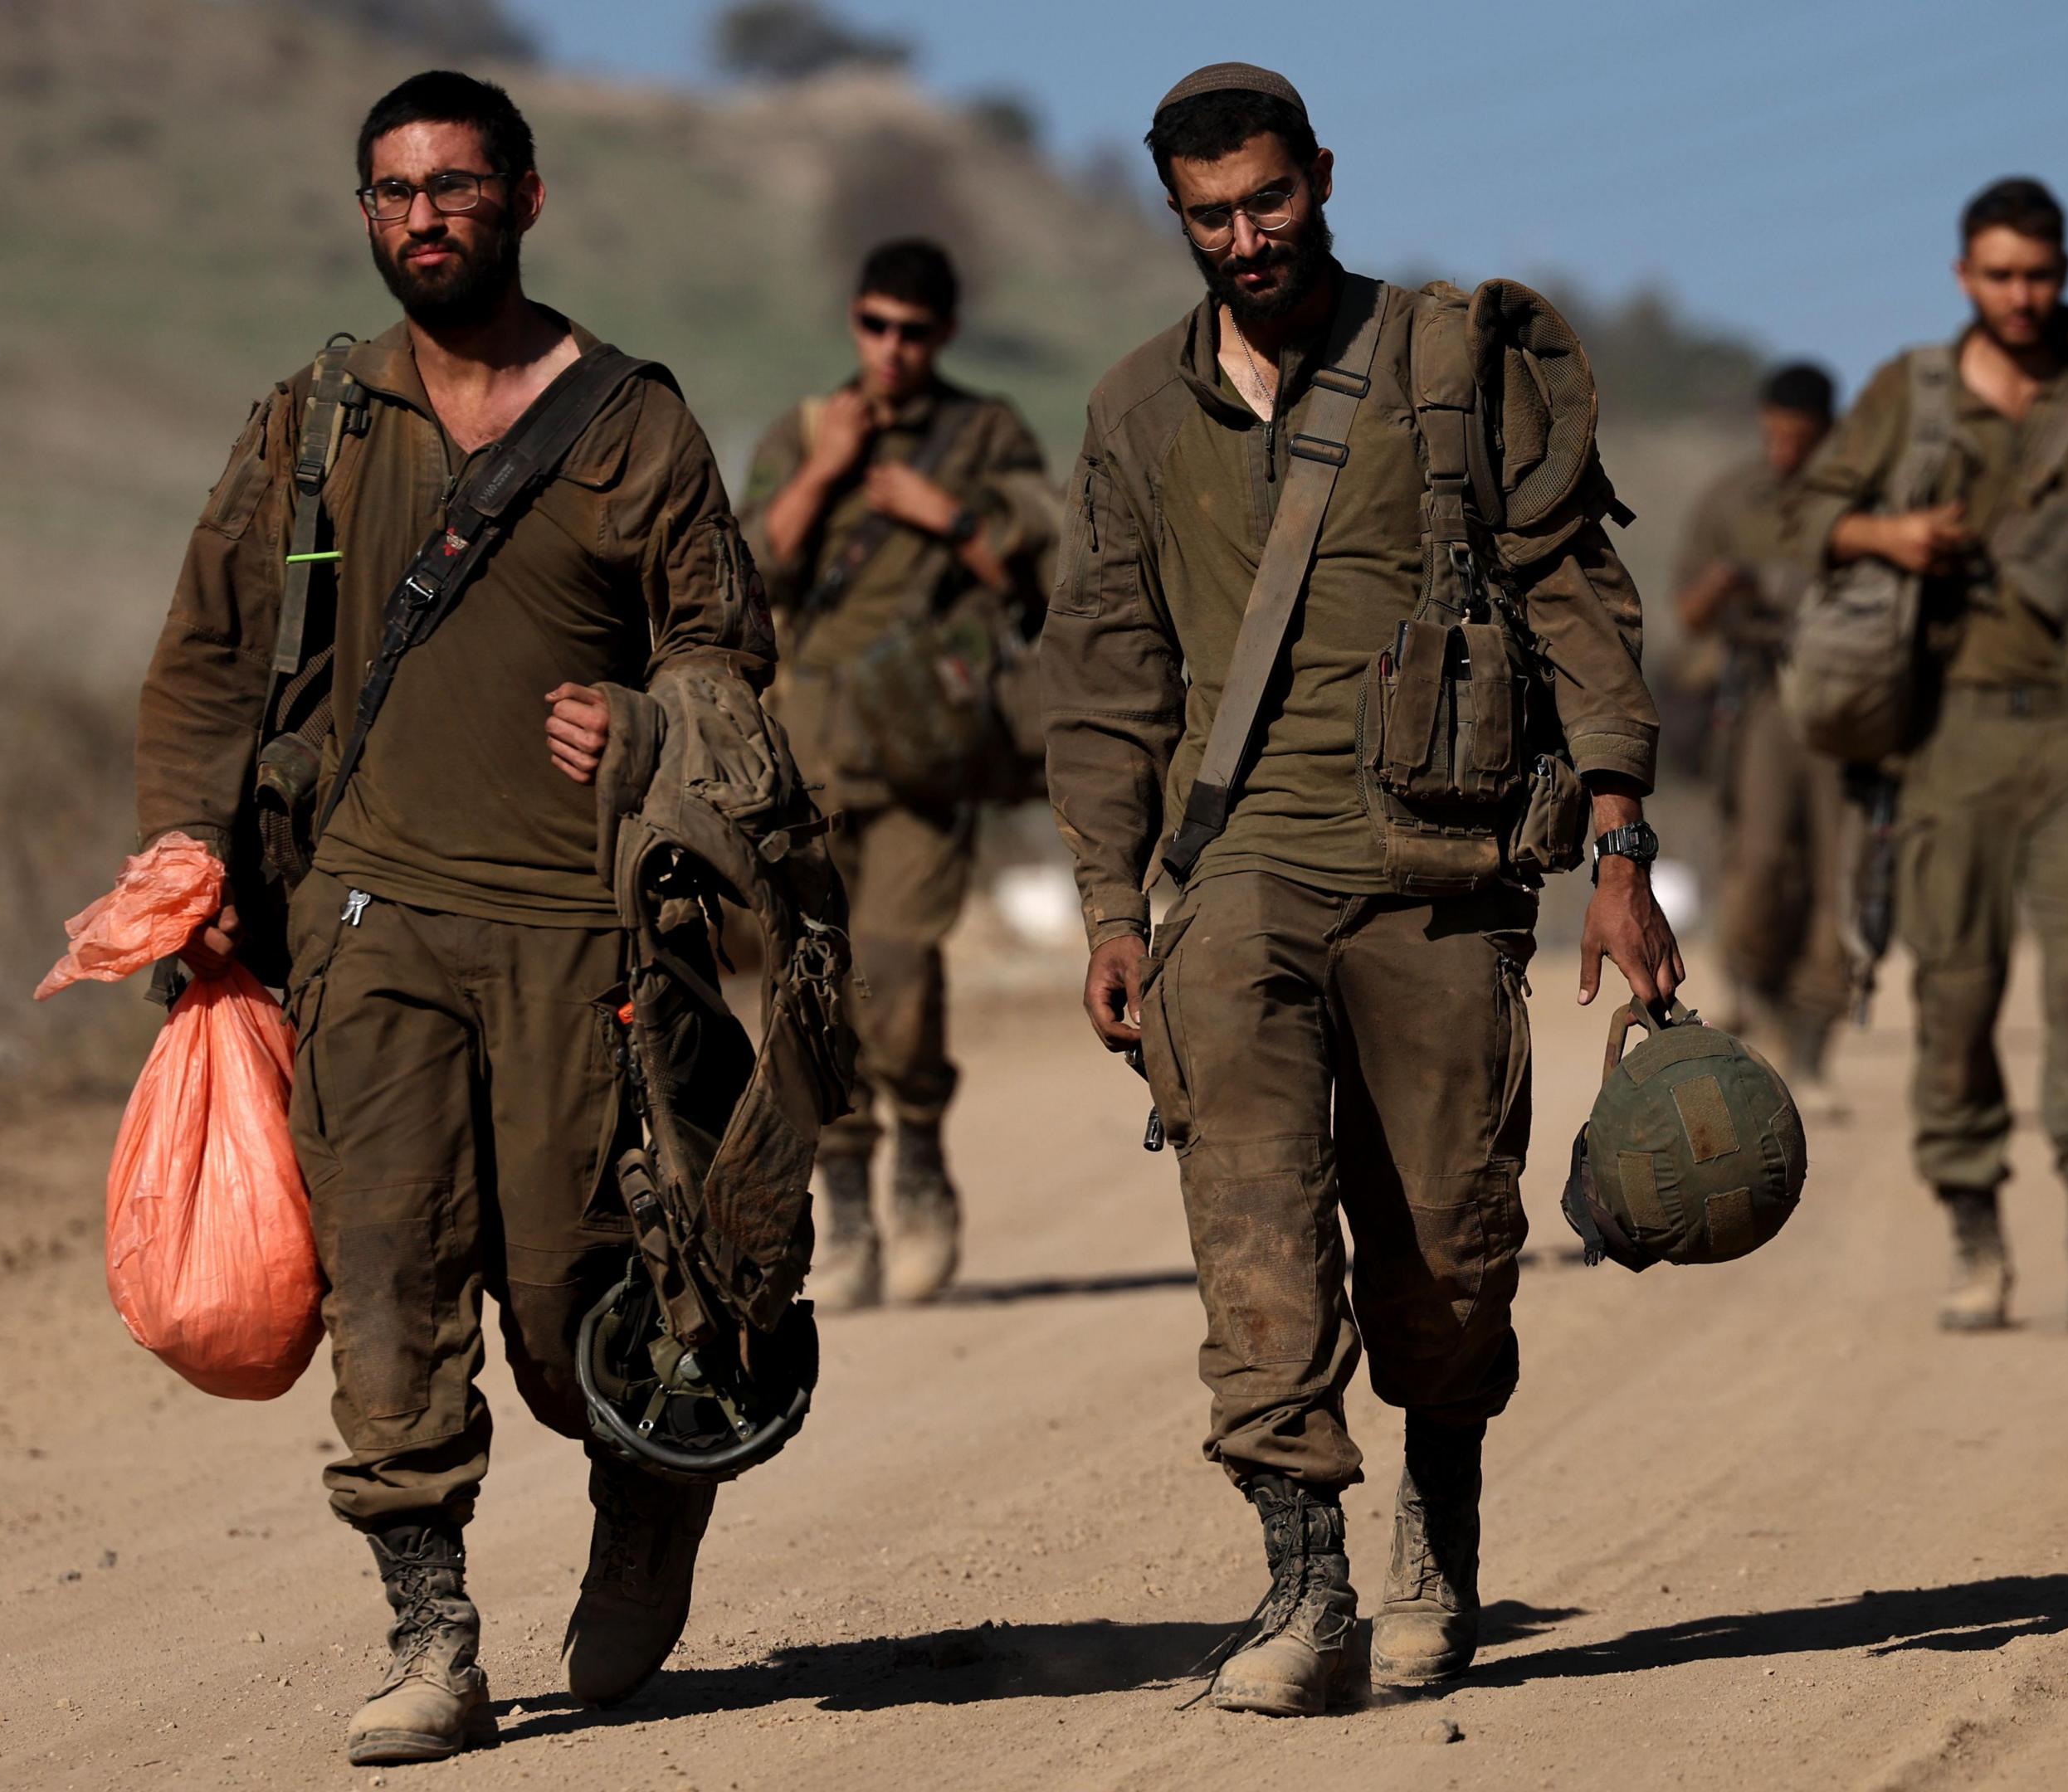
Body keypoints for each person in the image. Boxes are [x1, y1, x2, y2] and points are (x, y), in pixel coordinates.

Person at [131, 71, 779, 1765]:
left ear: (526, 199)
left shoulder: (633, 424)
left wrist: (645, 726)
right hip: (368, 924)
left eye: (456, 186)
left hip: (579, 935)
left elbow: (728, 655)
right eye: (394, 194)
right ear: (368, 216)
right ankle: (434, 1635)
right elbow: (206, 658)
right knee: (390, 1282)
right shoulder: (318, 423)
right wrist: (185, 859)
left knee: (574, 1307)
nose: (425, 217)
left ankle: (644, 1488)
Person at [1041, 63, 1676, 1716]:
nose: (1248, 238)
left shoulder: (1451, 369)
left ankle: (1440, 1521)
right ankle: (1303, 1589)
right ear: (1172, 217)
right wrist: (1113, 906)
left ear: (1323, 174)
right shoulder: (1133, 415)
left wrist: (1618, 849)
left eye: (1271, 200)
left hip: (1443, 874)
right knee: (1254, 1237)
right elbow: (1106, 677)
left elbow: (1575, 598)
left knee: (1449, 1262)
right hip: (1237, 878)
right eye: (1212, 217)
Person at [1783, 177, 2068, 1332]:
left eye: (2040, 275)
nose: (2022, 296)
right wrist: (1889, 534)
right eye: (1999, 275)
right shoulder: (1915, 394)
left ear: (2065, 272)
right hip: (1950, 734)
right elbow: (1801, 522)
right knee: (1957, 993)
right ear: (1963, 278)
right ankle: (1974, 1230)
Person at [739, 239, 1059, 1310]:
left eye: (913, 332)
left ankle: (917, 1163)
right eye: (875, 325)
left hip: (923, 760)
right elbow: (746, 575)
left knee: (899, 976)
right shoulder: (803, 431)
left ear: (945, 337)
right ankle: (848, 1211)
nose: (891, 349)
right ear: (853, 323)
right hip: (807, 767)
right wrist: (829, 471)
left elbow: (1046, 566)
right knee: (814, 995)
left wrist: (945, 516)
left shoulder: (983, 436)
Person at [1669, 362, 1852, 1093]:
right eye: (1774, 434)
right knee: (1761, 857)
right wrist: (1727, 585)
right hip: (1760, 700)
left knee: (1839, 873)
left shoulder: (1856, 503)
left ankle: (1815, 1036)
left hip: (1840, 701)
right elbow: (1685, 613)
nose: (1784, 450)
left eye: (1799, 438)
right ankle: (1756, 992)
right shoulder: (1730, 499)